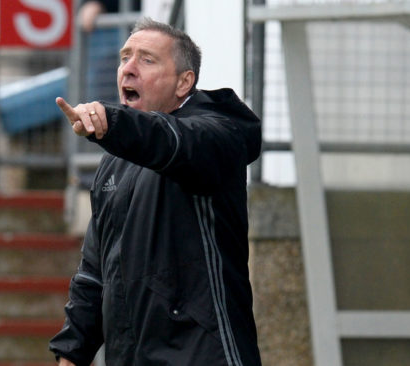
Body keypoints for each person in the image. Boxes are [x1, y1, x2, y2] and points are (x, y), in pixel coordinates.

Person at [50, 18, 263, 366]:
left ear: (184, 82)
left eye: (147, 60)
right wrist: (70, 354)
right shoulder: (113, 164)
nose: (128, 70)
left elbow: (173, 142)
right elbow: (93, 275)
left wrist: (112, 123)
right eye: (124, 58)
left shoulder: (218, 130)